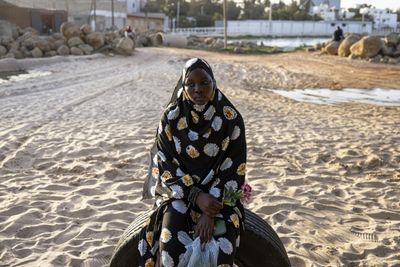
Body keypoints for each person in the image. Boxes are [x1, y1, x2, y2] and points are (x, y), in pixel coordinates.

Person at [139, 58, 247, 267]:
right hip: (180, 194)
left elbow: (234, 171)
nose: (198, 89)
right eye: (191, 83)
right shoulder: (170, 118)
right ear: (183, 85)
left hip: (222, 198)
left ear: (213, 83)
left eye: (204, 82)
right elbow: (166, 166)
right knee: (169, 246)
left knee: (224, 247)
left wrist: (210, 210)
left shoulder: (231, 119)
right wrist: (196, 196)